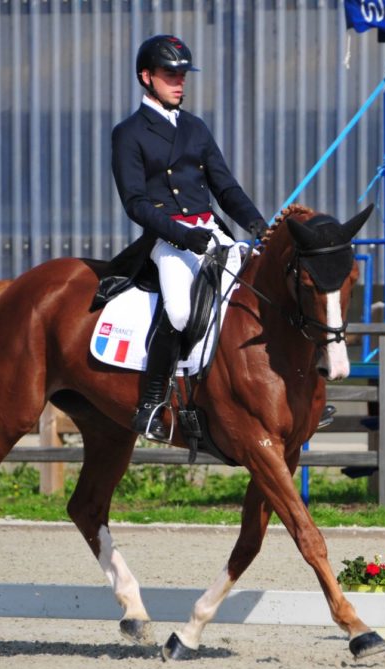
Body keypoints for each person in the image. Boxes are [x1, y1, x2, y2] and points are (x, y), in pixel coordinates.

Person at [111, 34, 266, 440]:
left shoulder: (195, 127)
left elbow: (226, 187)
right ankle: (152, 403)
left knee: (256, 292)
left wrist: (258, 224)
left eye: (182, 75)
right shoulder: (129, 133)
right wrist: (181, 235)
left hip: (211, 231)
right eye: (170, 75)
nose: (179, 82)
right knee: (180, 312)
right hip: (168, 239)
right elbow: (135, 203)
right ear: (146, 77)